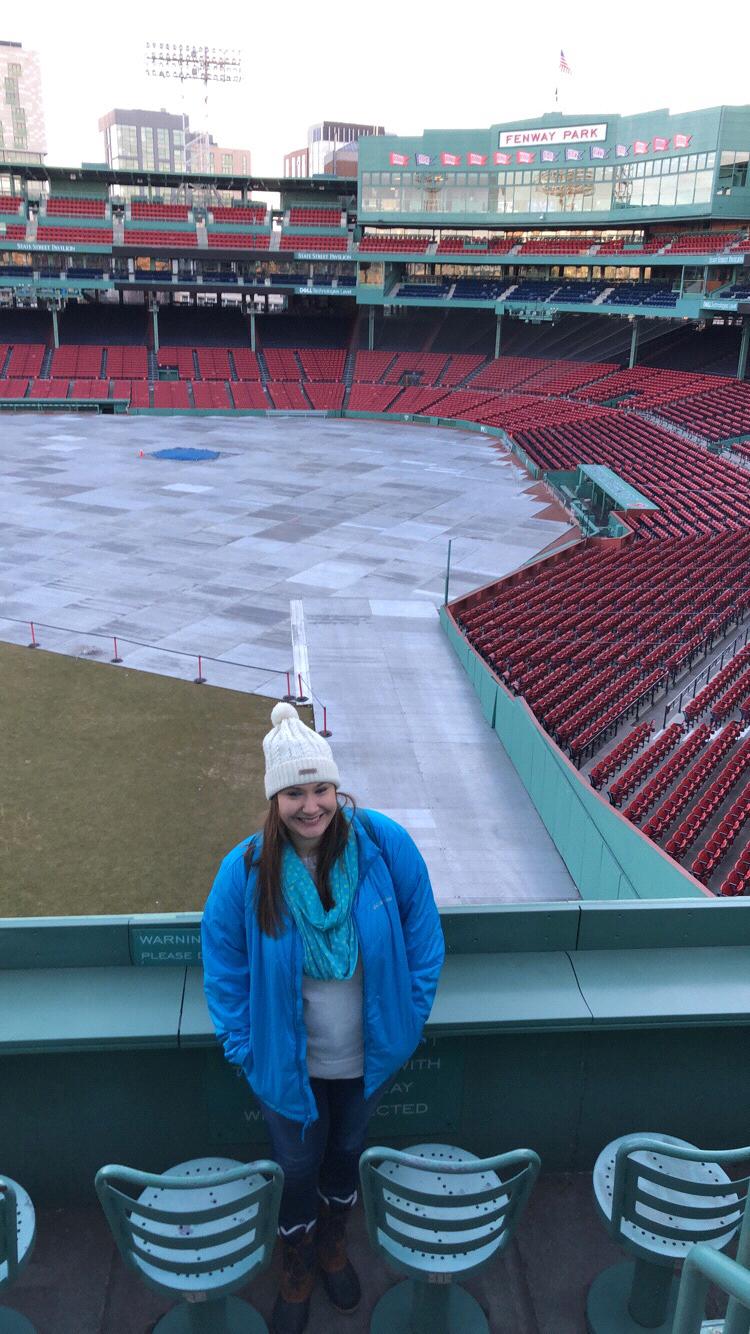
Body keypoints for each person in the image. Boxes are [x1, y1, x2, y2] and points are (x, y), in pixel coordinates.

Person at [202, 702, 445, 1334]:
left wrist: (409, 1020)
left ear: (337, 788)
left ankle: (334, 1241)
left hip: (367, 1056)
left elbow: (424, 936)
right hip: (288, 1064)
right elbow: (224, 967)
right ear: (274, 800)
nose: (311, 806)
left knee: (345, 1150)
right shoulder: (246, 871)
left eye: (320, 788)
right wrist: (245, 1048)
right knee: (297, 1168)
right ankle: (297, 1261)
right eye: (293, 793)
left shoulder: (384, 845)